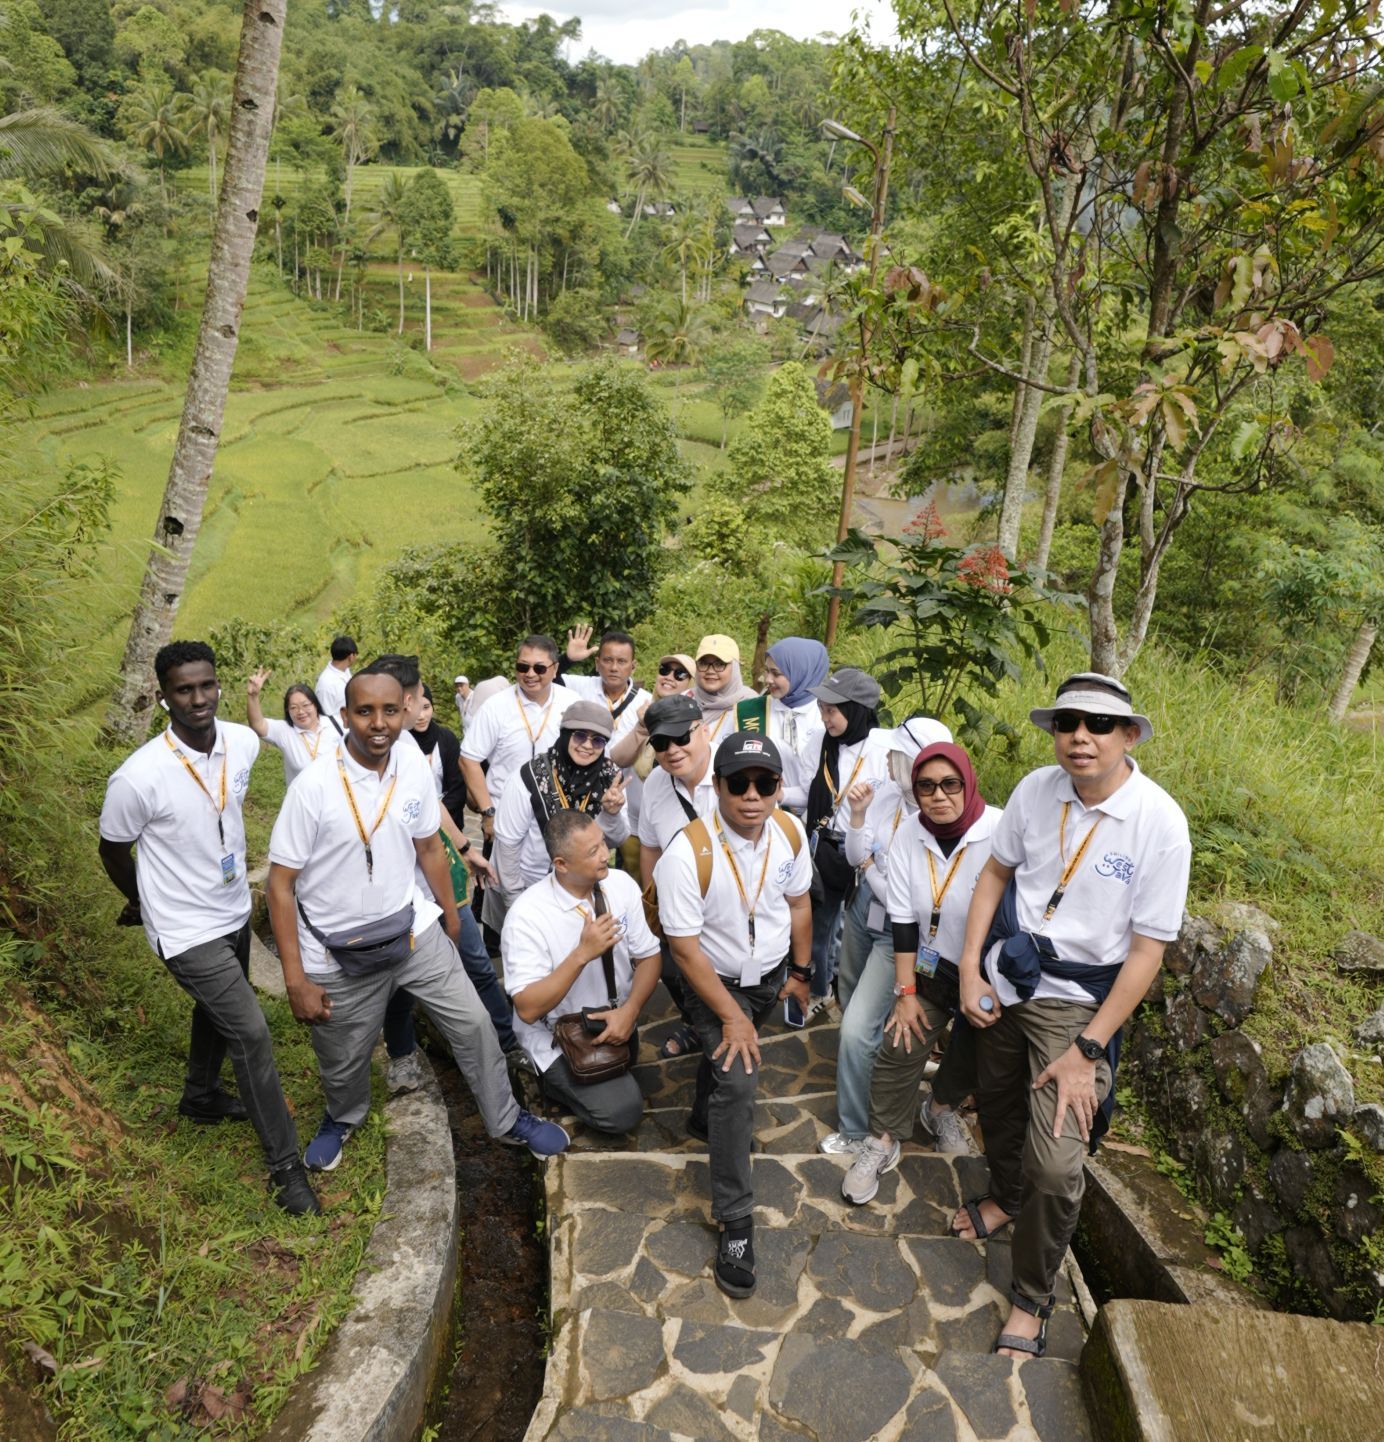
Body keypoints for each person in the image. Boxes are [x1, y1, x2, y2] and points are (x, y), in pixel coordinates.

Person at [953, 672, 1190, 1359]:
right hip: (1009, 976)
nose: (1080, 737)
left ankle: (1032, 1297)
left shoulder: (1159, 824)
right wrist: (969, 967)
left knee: (1057, 1165)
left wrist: (1088, 1049)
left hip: (1079, 1004)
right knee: (997, 1104)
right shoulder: (1037, 789)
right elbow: (996, 874)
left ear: (1130, 735)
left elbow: (1147, 951)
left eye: (1098, 724)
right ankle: (1004, 1198)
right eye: (1067, 723)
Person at [265, 668, 569, 1172]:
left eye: (390, 711)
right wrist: (295, 978)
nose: (378, 723)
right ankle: (342, 1117)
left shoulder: (409, 764)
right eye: (365, 711)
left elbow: (428, 845)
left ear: (403, 711)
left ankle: (506, 1118)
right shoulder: (313, 787)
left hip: (411, 930)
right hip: (335, 950)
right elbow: (280, 885)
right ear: (344, 716)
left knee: (474, 1025)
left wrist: (451, 916)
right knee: (343, 1057)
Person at [98, 641, 319, 1216]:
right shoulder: (138, 777)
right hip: (183, 927)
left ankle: (200, 1096)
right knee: (250, 1032)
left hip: (232, 910)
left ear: (218, 684)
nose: (198, 699)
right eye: (184, 690)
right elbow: (113, 848)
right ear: (163, 696)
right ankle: (286, 1169)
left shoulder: (241, 743)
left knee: (217, 1008)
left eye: (206, 685)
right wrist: (141, 900)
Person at [655, 732, 812, 1299]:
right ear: (717, 786)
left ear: (778, 788)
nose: (752, 796)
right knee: (741, 1081)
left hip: (768, 977)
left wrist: (801, 972)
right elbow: (683, 950)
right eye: (739, 783)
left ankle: (703, 1116)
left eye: (764, 783)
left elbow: (799, 904)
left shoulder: (790, 832)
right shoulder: (687, 854)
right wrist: (731, 1017)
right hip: (712, 982)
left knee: (723, 1071)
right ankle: (736, 1221)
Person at [840, 740, 1003, 1201]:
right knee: (901, 1040)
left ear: (968, 783)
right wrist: (906, 992)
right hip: (929, 964)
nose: (938, 795)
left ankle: (940, 1108)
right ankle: (882, 1138)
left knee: (977, 1047)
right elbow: (903, 918)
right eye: (926, 786)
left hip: (984, 970)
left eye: (950, 784)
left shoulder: (1000, 828)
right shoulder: (910, 832)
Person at [357, 656, 516, 1092]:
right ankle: (403, 1055)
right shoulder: (358, 758)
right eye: (418, 695)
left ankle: (507, 1043)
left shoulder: (409, 749)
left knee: (476, 962)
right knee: (398, 983)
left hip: (438, 882)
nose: (420, 704)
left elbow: (434, 808)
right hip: (395, 896)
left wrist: (465, 849)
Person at [817, 718, 958, 1157]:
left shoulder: (937, 816)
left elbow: (910, 901)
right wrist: (859, 816)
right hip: (864, 910)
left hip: (898, 936)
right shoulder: (886, 794)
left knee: (857, 1029)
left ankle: (858, 1129)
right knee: (849, 996)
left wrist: (872, 870)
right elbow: (856, 856)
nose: (890, 762)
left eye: (898, 756)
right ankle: (870, 1080)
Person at [504, 811, 662, 1135]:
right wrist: (582, 955)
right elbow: (528, 1008)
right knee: (622, 1114)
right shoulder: (527, 916)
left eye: (602, 843)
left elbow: (649, 956)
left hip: (612, 1018)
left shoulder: (620, 884)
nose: (605, 855)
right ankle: (549, 1079)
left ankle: (597, 1076)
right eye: (592, 852)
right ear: (561, 864)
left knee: (628, 1063)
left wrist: (629, 1011)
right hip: (560, 1034)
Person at [460, 635, 578, 940]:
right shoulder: (497, 706)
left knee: (560, 899)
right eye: (522, 667)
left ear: (555, 668)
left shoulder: (571, 703)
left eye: (539, 668)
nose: (530, 674)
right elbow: (469, 759)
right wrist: (488, 812)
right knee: (500, 894)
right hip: (504, 821)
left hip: (557, 821)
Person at [635, 693, 717, 1058]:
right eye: (661, 743)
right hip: (679, 905)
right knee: (672, 969)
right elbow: (650, 846)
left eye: (682, 737)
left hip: (730, 903)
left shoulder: (735, 771)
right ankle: (697, 1022)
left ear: (705, 730)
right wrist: (652, 904)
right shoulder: (655, 783)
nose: (672, 750)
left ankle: (722, 1024)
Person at [805, 668, 888, 1013]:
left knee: (861, 928)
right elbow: (808, 788)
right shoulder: (821, 742)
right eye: (821, 709)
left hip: (866, 852)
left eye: (832, 710)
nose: (825, 718)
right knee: (819, 927)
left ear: (856, 711)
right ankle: (819, 990)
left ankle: (856, 995)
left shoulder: (884, 747)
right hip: (825, 847)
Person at [493, 699, 629, 901]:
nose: (587, 746)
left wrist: (611, 814)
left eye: (598, 740)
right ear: (565, 734)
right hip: (528, 886)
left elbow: (616, 840)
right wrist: (514, 898)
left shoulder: (610, 778)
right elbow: (507, 845)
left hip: (583, 889)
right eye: (580, 736)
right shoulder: (530, 776)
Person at [759, 638, 829, 812]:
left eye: (776, 673)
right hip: (767, 814)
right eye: (766, 671)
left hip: (817, 816)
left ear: (801, 673)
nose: (768, 679)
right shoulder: (756, 710)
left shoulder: (825, 715)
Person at [561, 626, 650, 756]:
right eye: (608, 660)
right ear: (597, 663)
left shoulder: (646, 702)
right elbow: (545, 679)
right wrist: (567, 659)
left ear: (633, 666)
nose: (614, 668)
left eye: (621, 661)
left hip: (625, 770)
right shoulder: (581, 687)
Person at [245, 671, 341, 787]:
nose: (301, 712)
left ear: (315, 704)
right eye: (294, 708)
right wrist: (253, 696)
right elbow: (258, 725)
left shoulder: (337, 724)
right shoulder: (285, 730)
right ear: (287, 711)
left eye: (306, 705)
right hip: (302, 797)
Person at [411, 684, 467, 825]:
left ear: (432, 707)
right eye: (415, 709)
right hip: (411, 821)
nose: (421, 716)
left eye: (426, 707)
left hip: (446, 820)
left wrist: (437, 818)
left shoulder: (447, 739)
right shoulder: (399, 742)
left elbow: (458, 787)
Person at [691, 634, 756, 750]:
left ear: (735, 667)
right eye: (703, 663)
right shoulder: (684, 700)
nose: (710, 671)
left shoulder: (752, 706)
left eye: (719, 664)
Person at [314, 636, 356, 727]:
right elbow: (325, 718)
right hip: (337, 731)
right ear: (351, 657)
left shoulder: (345, 671)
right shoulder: (326, 684)